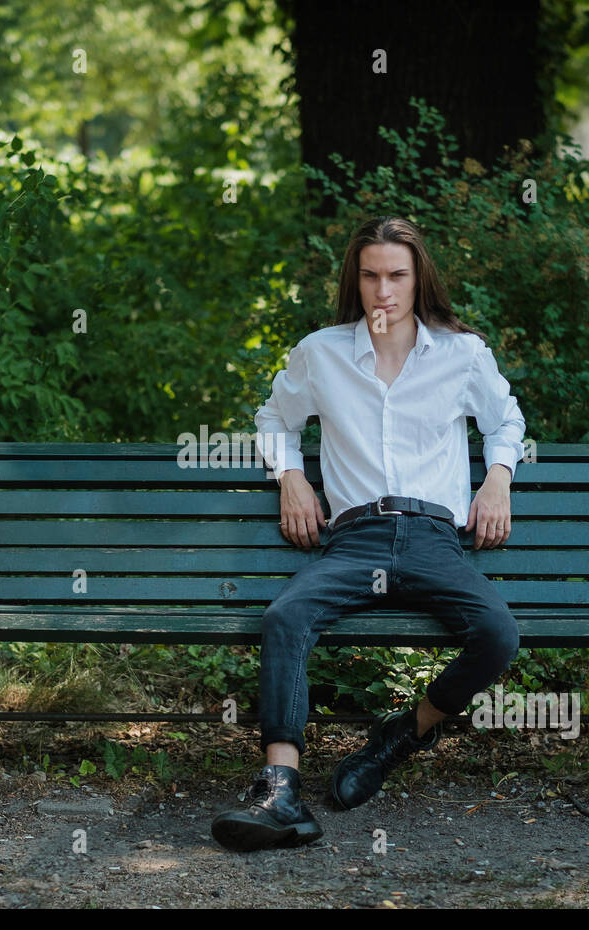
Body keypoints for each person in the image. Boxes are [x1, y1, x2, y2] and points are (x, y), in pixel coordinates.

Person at [211, 215, 525, 852]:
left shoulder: (462, 354)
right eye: (371, 276)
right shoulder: (321, 353)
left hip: (434, 537)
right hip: (354, 539)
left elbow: (506, 421)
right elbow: (273, 418)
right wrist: (291, 477)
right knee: (285, 617)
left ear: (419, 279)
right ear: (354, 281)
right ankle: (280, 790)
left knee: (498, 634)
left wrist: (498, 478)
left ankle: (404, 734)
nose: (384, 290)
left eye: (397, 276)